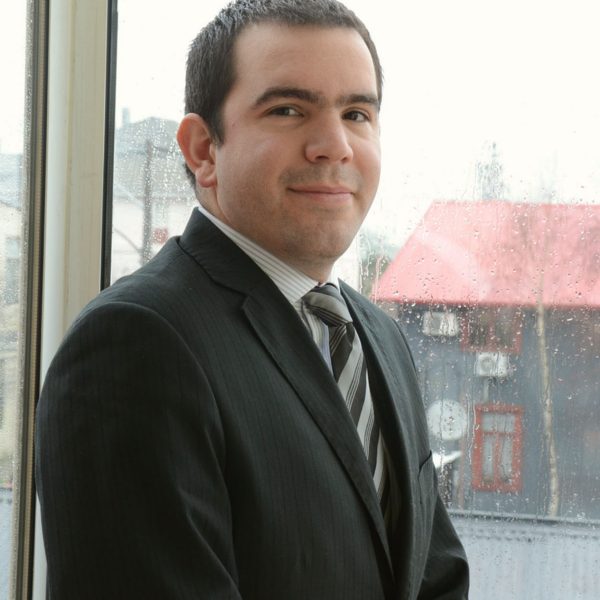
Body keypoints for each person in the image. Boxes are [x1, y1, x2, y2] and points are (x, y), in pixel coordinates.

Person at [36, 1, 469, 598]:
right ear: (203, 149)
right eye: (288, 110)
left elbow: (435, 577)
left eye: (356, 113)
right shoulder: (133, 343)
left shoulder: (379, 334)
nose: (334, 145)